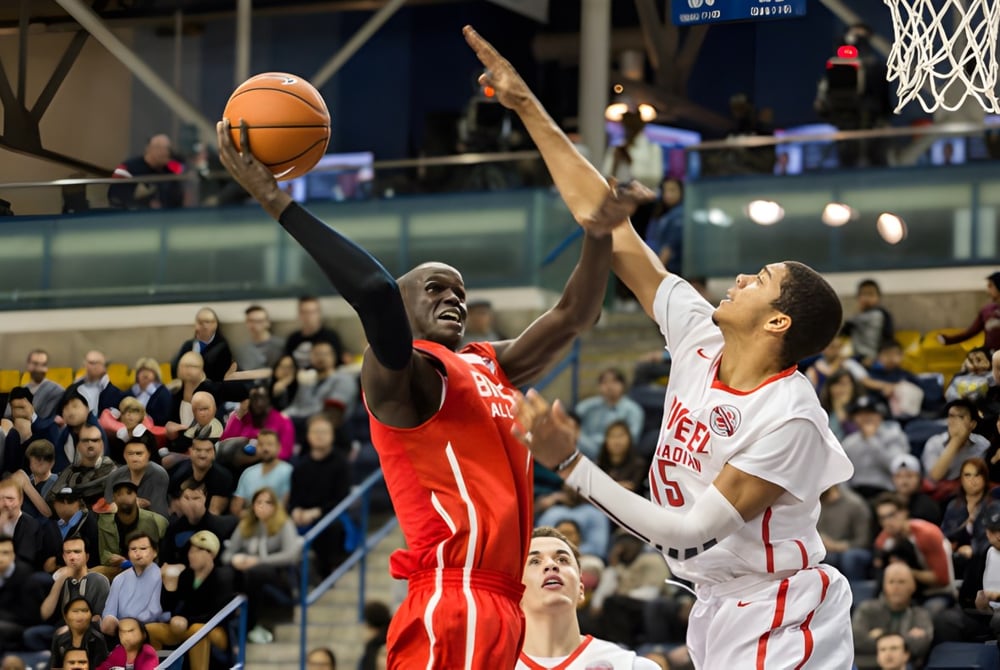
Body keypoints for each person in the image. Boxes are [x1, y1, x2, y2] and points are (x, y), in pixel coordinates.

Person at [216, 68, 651, 667]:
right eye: (436, 290)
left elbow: (576, 314)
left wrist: (599, 233)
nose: (455, 299)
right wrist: (276, 200)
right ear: (406, 303)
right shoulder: (403, 374)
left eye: (463, 293)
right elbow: (372, 290)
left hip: (502, 603)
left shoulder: (489, 363)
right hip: (456, 594)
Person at [464, 25, 854, 669]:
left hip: (784, 607)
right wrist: (526, 105)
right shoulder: (701, 336)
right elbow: (611, 232)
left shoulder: (791, 418)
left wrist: (572, 464)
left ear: (778, 324)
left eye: (759, 282)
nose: (738, 280)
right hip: (715, 604)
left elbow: (688, 530)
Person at [518, 527, 660, 669]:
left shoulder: (632, 666)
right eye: (535, 561)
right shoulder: (498, 663)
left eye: (562, 559)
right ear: (516, 593)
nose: (551, 564)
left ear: (581, 589)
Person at [221, 487, 301, 644]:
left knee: (257, 572)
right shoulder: (246, 525)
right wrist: (236, 559)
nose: (263, 506)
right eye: (259, 502)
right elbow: (227, 555)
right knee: (226, 573)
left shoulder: (284, 524)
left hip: (278, 576)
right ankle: (227, 624)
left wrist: (258, 561)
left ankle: (249, 625)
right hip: (247, 574)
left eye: (268, 502)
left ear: (275, 506)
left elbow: (290, 556)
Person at [146, 531, 234, 670]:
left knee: (197, 630)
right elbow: (170, 608)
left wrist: (188, 620)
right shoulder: (186, 575)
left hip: (216, 630)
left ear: (210, 554)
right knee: (151, 629)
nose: (190, 556)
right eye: (190, 552)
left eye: (195, 552)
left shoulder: (222, 577)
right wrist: (170, 586)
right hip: (186, 626)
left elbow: (217, 613)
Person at [850, 562, 933, 670]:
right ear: (884, 586)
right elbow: (856, 640)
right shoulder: (866, 609)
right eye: (891, 582)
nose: (896, 587)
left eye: (901, 582)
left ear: (913, 586)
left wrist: (879, 636)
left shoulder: (920, 614)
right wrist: (902, 642)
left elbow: (921, 645)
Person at [108, 134, 184, 210]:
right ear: (150, 149)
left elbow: (177, 198)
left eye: (168, 150)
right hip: (132, 216)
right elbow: (115, 198)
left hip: (166, 217)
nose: (167, 154)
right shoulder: (128, 168)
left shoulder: (168, 172)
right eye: (164, 149)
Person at [938, 271, 1000, 352]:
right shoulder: (987, 310)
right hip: (990, 353)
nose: (987, 291)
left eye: (990, 286)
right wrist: (948, 340)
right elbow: (971, 332)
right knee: (973, 357)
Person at [170, 307, 234, 383]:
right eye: (200, 322)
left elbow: (219, 376)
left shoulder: (222, 348)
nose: (204, 326)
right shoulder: (188, 345)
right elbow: (175, 367)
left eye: (207, 322)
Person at [49, 597, 109, 670]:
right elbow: (55, 666)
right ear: (65, 616)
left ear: (91, 616)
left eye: (85, 611)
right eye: (75, 611)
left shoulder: (97, 639)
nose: (80, 615)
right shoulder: (59, 636)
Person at [3, 349, 64, 420]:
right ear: (28, 365)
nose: (39, 368)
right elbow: (7, 415)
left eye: (43, 364)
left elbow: (46, 418)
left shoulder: (56, 390)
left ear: (47, 368)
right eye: (35, 364)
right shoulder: (18, 391)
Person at [644, 177, 684, 276]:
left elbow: (669, 248)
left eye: (672, 190)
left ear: (682, 192)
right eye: (665, 190)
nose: (668, 194)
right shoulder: (664, 212)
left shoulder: (679, 215)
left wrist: (656, 274)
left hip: (668, 270)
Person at [236, 304, 286, 371]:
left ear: (268, 322)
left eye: (260, 321)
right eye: (251, 321)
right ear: (247, 323)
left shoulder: (281, 345)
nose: (256, 325)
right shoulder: (242, 350)